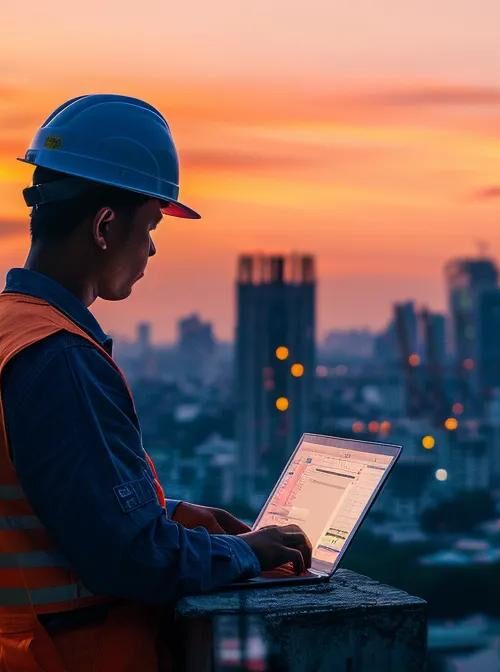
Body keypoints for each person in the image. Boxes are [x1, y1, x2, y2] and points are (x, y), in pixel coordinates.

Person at [0, 95, 313, 671]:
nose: (151, 247)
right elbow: (127, 558)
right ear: (104, 225)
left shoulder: (11, 329)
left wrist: (173, 520)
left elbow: (53, 511)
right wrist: (244, 553)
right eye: (147, 226)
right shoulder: (60, 358)